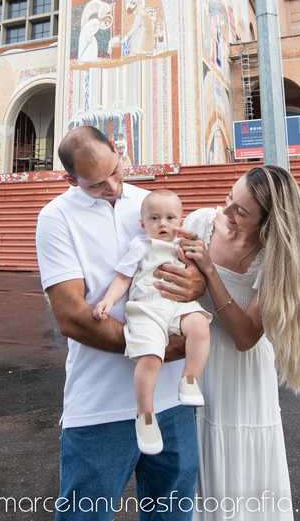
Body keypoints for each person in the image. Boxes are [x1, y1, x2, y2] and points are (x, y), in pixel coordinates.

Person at [36, 126, 205, 520]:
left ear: (118, 151)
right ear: (70, 179)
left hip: (171, 403)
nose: (112, 187)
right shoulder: (56, 218)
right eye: (95, 185)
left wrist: (197, 281)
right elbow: (73, 318)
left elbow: (192, 269)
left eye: (116, 171)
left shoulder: (152, 204)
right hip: (98, 408)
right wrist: (159, 348)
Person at [175, 165, 300, 521]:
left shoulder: (274, 257)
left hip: (242, 376)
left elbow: (245, 337)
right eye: (230, 197)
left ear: (267, 222)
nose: (225, 212)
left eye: (240, 212)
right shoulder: (200, 224)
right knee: (192, 463)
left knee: (239, 475)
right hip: (197, 361)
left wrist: (209, 273)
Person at [92, 189, 211, 456]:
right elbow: (123, 277)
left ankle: (189, 380)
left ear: (181, 221)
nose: (162, 224)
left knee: (200, 326)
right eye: (154, 218)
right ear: (143, 223)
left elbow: (199, 277)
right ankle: (145, 415)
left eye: (170, 218)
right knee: (150, 355)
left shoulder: (184, 248)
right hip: (147, 308)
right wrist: (109, 301)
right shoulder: (141, 246)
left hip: (178, 304)